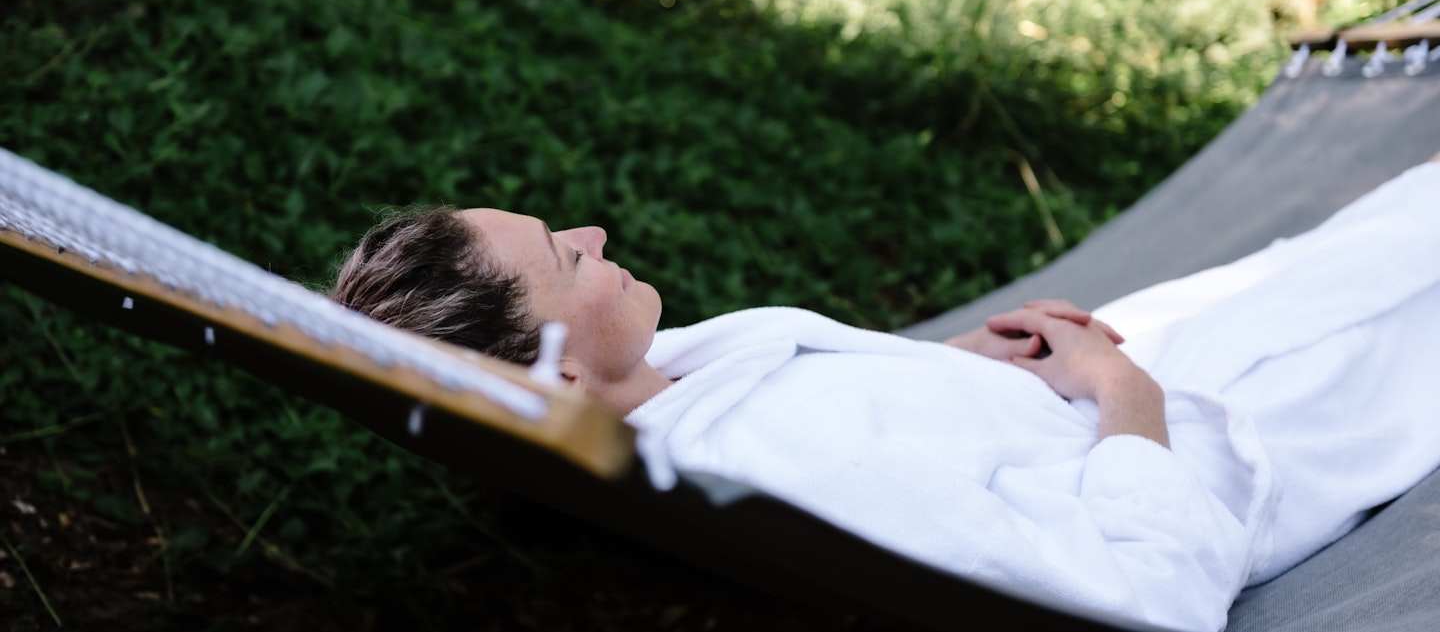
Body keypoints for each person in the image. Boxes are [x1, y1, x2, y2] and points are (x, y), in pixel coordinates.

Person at [332, 162, 1440, 632]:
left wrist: (961, 359)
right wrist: (1122, 389)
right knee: (1407, 270)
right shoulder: (784, 469)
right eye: (564, 259)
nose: (593, 234)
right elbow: (1149, 598)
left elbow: (871, 413)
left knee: (1378, 231)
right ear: (563, 369)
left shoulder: (674, 389)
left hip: (1096, 393)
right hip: (1207, 443)